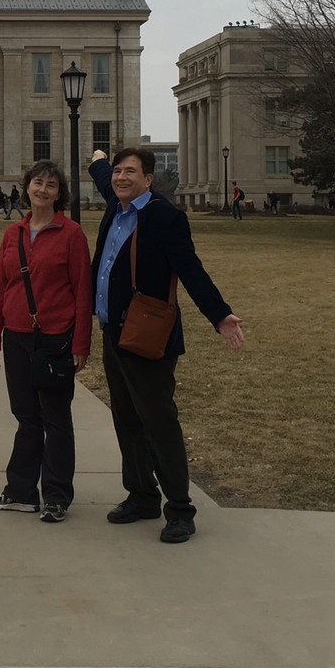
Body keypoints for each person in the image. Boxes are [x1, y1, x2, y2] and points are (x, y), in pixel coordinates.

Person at [90, 147, 245, 545]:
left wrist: (220, 315)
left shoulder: (163, 216)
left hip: (147, 338)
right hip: (113, 334)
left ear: (148, 180)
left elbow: (190, 268)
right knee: (126, 418)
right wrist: (98, 162)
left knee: (158, 422)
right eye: (118, 172)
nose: (121, 178)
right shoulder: (116, 206)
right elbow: (106, 179)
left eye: (131, 172)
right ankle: (141, 495)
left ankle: (179, 508)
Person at [0, 160, 93, 524]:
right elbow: (0, 288)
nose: (43, 189)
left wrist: (81, 344)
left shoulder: (71, 234)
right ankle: (21, 492)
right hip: (15, 337)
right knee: (26, 416)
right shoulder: (12, 234)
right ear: (27, 187)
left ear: (59, 194)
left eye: (51, 185)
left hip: (55, 340)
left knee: (56, 418)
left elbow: (82, 293)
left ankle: (57, 496)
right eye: (37, 183)